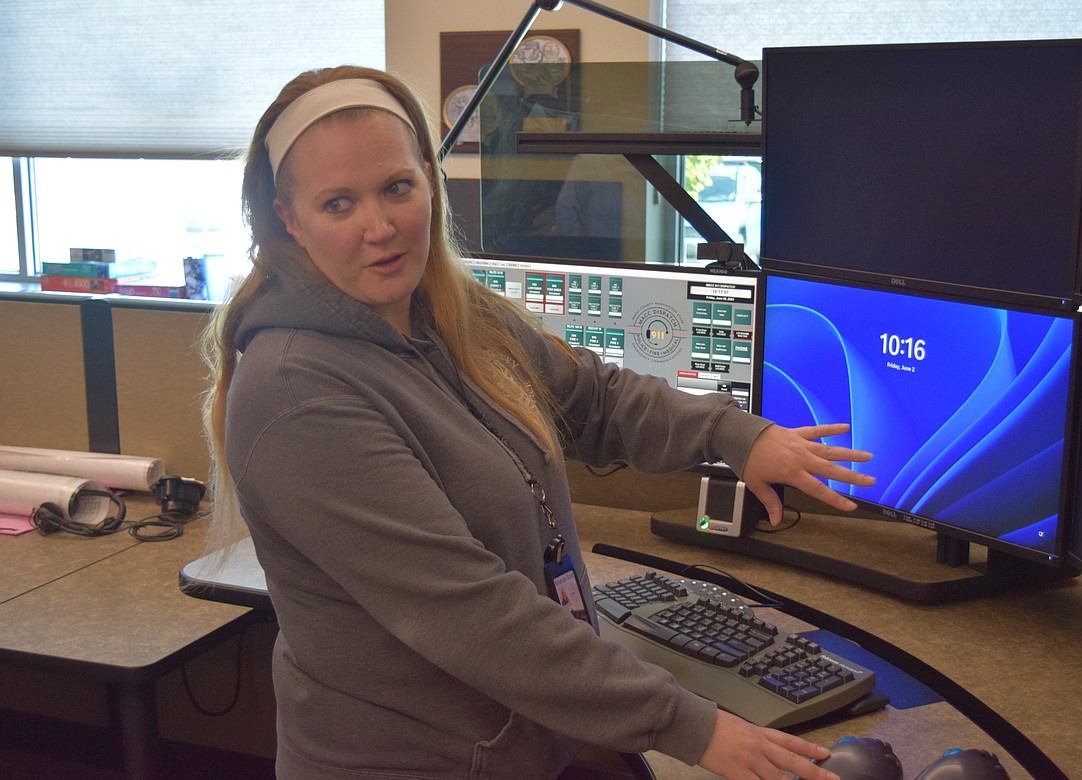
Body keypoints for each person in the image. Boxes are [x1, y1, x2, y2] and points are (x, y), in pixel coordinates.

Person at [201, 64, 876, 780]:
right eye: (339, 203)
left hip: (515, 749)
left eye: (397, 187)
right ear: (288, 217)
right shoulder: (296, 392)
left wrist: (740, 438)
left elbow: (592, 401)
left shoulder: (454, 315)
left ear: (429, 178)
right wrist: (694, 729)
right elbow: (471, 613)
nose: (381, 227)